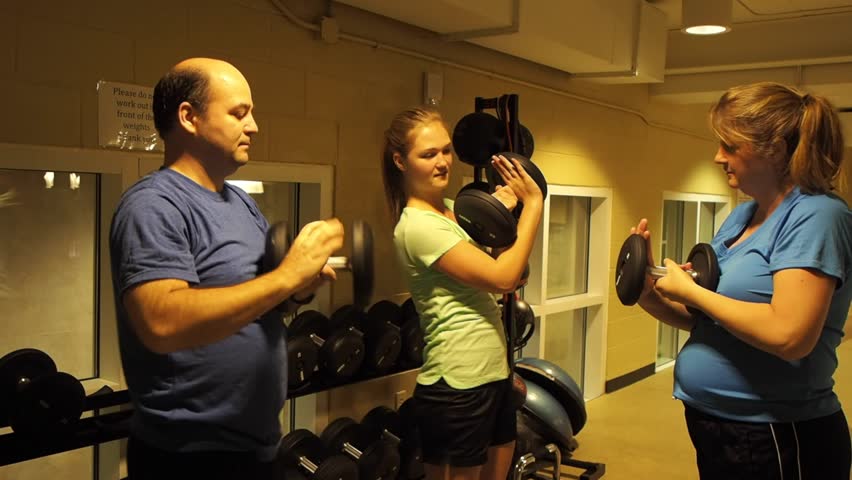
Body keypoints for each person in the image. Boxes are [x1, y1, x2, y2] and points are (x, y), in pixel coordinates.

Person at [109, 58, 343, 480]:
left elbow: (260, 302)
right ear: (189, 117)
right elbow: (161, 322)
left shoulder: (240, 203)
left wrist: (298, 290)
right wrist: (286, 276)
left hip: (256, 448)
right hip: (188, 459)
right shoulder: (154, 205)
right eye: (239, 113)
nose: (254, 126)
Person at [633, 82, 852, 479]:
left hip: (778, 433)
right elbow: (710, 322)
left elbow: (790, 336)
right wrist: (650, 293)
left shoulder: (817, 215)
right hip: (718, 425)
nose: (718, 157)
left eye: (730, 146)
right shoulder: (742, 216)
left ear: (776, 150)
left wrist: (693, 292)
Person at [382, 107, 543, 480]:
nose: (442, 162)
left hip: (494, 371)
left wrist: (505, 216)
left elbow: (512, 269)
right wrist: (534, 204)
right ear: (400, 161)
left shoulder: (456, 211)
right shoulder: (418, 227)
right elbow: (503, 279)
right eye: (428, 154)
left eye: (446, 150)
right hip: (456, 383)